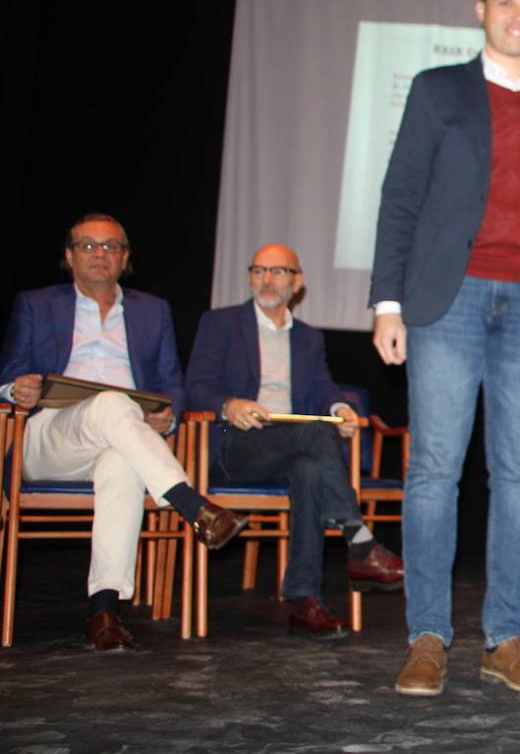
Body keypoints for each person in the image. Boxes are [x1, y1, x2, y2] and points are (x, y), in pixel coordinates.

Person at [369, 0, 520, 696]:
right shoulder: (438, 91)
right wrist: (387, 303)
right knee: (435, 469)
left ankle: (506, 638)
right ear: (481, 9)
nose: (518, 14)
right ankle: (428, 636)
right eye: (506, 1)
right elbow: (401, 195)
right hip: (450, 297)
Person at [0, 214, 245, 651]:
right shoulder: (36, 303)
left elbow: (171, 383)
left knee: (122, 466)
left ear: (125, 258)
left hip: (121, 439)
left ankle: (104, 611)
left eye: (110, 247)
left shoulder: (153, 311)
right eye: (88, 246)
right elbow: (9, 372)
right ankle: (193, 506)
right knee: (113, 402)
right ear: (69, 256)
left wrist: (167, 416)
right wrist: (15, 387)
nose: (100, 254)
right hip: (47, 437)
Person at [185, 243, 404, 638]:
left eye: (278, 271)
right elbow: (195, 386)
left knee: (309, 470)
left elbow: (323, 387)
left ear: (297, 282)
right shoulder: (221, 323)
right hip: (234, 444)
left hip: (291, 446)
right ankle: (359, 540)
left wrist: (340, 406)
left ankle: (305, 601)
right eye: (258, 271)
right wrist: (228, 403)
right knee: (317, 436)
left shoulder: (309, 337)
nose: (267, 280)